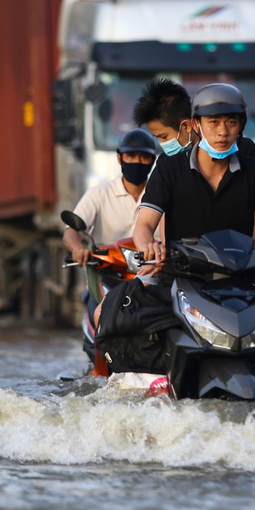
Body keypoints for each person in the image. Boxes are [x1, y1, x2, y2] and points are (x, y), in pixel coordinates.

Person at [131, 83, 255, 404]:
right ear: (195, 125)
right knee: (123, 315)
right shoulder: (169, 167)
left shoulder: (252, 169)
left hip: (242, 283)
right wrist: (148, 245)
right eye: (214, 123)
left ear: (242, 126)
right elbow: (144, 224)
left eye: (231, 123)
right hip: (181, 277)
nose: (223, 131)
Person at [62, 127, 159, 364]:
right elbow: (71, 231)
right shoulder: (99, 193)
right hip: (109, 276)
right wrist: (78, 249)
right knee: (98, 315)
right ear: (119, 158)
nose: (137, 162)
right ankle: (98, 361)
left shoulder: (159, 194)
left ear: (152, 160)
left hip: (150, 277)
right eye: (131, 156)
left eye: (144, 157)